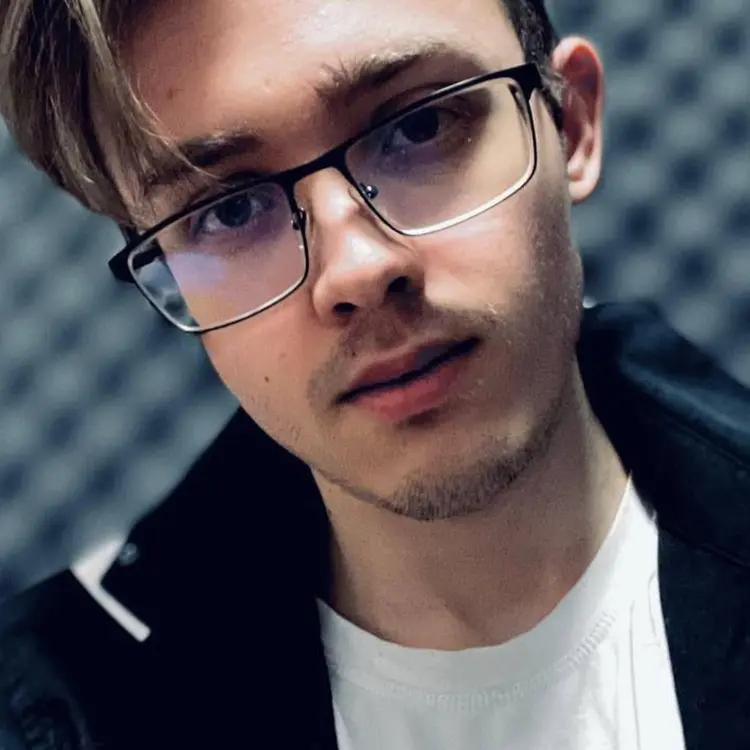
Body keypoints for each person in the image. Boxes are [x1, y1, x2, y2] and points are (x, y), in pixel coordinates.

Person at [0, 0, 748, 748]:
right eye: (229, 211)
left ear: (570, 124)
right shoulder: (58, 709)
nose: (357, 269)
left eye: (417, 126)